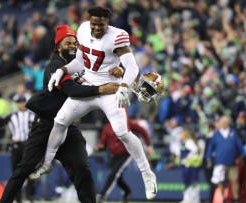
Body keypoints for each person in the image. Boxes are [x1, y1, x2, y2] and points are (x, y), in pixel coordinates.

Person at [36, 6, 157, 200]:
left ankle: (147, 173)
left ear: (107, 23)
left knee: (122, 132)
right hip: (89, 85)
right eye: (94, 24)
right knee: (60, 120)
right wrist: (63, 70)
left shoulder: (117, 36)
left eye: (101, 24)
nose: (97, 28)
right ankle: (47, 162)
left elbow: (132, 66)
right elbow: (81, 62)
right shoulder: (83, 29)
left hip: (110, 89)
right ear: (89, 21)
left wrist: (125, 85)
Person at [0, 24, 120, 203]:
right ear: (58, 46)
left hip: (67, 127)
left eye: (75, 42)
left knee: (82, 169)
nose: (73, 45)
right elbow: (71, 89)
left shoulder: (77, 65)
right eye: (68, 42)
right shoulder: (55, 66)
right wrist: (101, 89)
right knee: (23, 170)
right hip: (46, 126)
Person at [0, 96, 36, 203]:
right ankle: (18, 199)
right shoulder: (12, 116)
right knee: (16, 174)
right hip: (16, 146)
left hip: (28, 146)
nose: (20, 104)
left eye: (22, 102)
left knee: (30, 173)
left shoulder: (32, 115)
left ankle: (30, 198)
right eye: (18, 102)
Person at [95, 119, 154, 203]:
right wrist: (99, 146)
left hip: (126, 153)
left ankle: (102, 196)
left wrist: (148, 145)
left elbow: (142, 130)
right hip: (113, 155)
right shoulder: (107, 127)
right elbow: (102, 142)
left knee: (114, 173)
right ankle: (127, 191)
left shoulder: (127, 122)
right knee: (117, 177)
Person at [206, 116, 243, 203]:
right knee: (220, 182)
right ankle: (222, 199)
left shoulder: (233, 133)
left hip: (232, 162)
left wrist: (242, 156)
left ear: (229, 123)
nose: (223, 124)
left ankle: (236, 199)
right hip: (220, 162)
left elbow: (239, 146)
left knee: (234, 180)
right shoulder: (216, 134)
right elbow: (211, 147)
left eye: (225, 122)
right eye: (222, 122)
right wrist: (208, 157)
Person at [179, 129, 202, 203]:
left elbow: (195, 150)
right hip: (186, 165)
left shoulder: (189, 142)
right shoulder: (184, 142)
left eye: (181, 134)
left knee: (192, 182)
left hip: (190, 166)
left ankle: (193, 200)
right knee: (187, 182)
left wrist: (187, 158)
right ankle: (188, 199)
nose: (179, 136)